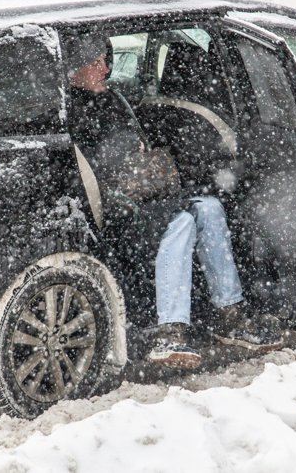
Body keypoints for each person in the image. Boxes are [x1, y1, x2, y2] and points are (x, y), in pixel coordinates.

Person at [66, 34, 283, 370]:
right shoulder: (69, 109)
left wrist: (139, 157)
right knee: (180, 221)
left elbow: (136, 144)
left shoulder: (112, 99)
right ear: (73, 68)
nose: (105, 68)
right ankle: (168, 331)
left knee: (210, 207)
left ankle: (230, 313)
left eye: (105, 60)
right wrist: (124, 161)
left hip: (147, 192)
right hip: (119, 206)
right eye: (95, 62)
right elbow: (93, 170)